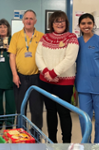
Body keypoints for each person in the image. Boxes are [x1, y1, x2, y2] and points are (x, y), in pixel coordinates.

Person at [35, 10, 79, 143]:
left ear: (66, 22)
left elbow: (70, 58)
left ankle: (66, 143)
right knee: (50, 111)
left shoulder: (71, 37)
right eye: (56, 21)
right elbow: (38, 56)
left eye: (62, 21)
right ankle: (51, 140)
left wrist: (53, 73)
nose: (60, 24)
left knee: (64, 113)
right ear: (51, 23)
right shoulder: (45, 38)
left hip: (64, 84)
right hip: (46, 82)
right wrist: (46, 73)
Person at [8, 10, 44, 130]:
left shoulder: (42, 36)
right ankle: (21, 131)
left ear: (35, 21)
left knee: (37, 109)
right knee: (20, 108)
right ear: (23, 21)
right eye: (26, 18)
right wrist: (14, 74)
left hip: (37, 78)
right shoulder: (16, 36)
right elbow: (12, 55)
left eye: (31, 18)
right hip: (20, 77)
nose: (29, 21)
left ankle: (36, 133)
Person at [76, 13, 99, 143]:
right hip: (83, 87)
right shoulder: (76, 43)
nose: (86, 26)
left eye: (89, 23)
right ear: (79, 26)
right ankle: (86, 143)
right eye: (83, 23)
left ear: (93, 24)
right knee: (84, 118)